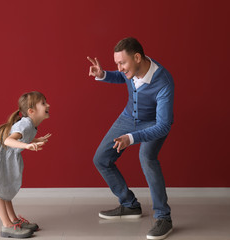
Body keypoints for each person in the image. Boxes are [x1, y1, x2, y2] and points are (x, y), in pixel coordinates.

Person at [87, 37, 174, 240]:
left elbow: (163, 125)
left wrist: (131, 138)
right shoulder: (132, 68)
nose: (120, 67)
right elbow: (123, 76)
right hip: (128, 117)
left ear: (137, 57)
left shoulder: (164, 82)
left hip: (154, 123)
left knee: (147, 159)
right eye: (116, 63)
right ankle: (129, 205)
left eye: (122, 63)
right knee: (100, 159)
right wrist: (104, 75)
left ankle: (164, 217)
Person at [0, 91, 51, 238]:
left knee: (4, 187)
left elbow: (23, 137)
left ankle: (14, 220)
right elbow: (8, 141)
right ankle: (6, 226)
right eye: (43, 103)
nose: (48, 105)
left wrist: (36, 140)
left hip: (3, 153)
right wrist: (27, 146)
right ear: (31, 111)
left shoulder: (30, 125)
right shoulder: (25, 124)